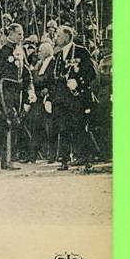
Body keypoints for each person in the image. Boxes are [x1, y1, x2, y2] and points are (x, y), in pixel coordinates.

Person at [49, 25, 97, 170]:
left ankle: (85, 157)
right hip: (61, 98)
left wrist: (78, 81)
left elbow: (91, 73)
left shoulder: (81, 51)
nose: (56, 38)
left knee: (79, 127)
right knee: (62, 128)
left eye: (59, 35)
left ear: (67, 37)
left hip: (76, 97)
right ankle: (64, 159)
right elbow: (54, 77)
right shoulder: (57, 55)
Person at [0, 23, 35, 171]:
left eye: (22, 34)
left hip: (18, 91)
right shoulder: (2, 52)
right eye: (19, 34)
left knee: (16, 122)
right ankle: (7, 160)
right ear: (11, 34)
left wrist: (30, 89)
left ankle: (9, 159)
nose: (22, 37)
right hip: (5, 89)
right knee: (9, 121)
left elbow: (26, 71)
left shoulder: (21, 51)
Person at [26, 40, 55, 163]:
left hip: (48, 98)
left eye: (41, 51)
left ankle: (52, 155)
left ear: (47, 52)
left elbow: (47, 79)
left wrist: (37, 77)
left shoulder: (52, 63)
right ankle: (32, 155)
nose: (38, 53)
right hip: (38, 99)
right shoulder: (39, 64)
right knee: (36, 126)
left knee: (50, 128)